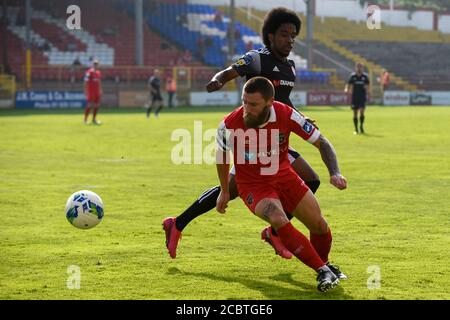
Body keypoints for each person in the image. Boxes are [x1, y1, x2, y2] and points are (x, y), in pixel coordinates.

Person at [163, 8, 342, 276]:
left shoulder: (290, 67)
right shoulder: (257, 58)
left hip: (276, 137)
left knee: (309, 180)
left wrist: (300, 118)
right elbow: (230, 71)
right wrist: (217, 81)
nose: (290, 40)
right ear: (271, 35)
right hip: (249, 135)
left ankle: (274, 231)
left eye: (293, 35)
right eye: (284, 34)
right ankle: (179, 223)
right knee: (232, 188)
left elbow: (283, 101)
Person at [216, 77, 347, 292]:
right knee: (277, 217)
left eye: (253, 104)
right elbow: (221, 158)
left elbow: (322, 142)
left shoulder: (286, 114)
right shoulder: (229, 124)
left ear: (270, 102)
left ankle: (323, 267)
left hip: (285, 177)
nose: (246, 109)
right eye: (244, 102)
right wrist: (223, 191)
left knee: (320, 227)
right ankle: (323, 270)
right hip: (253, 185)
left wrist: (335, 173)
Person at [345, 62, 370, 134]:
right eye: (358, 67)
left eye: (360, 67)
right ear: (356, 68)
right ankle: (356, 129)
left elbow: (368, 85)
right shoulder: (353, 76)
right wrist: (346, 89)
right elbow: (348, 84)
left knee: (362, 112)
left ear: (362, 68)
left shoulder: (365, 76)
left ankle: (361, 127)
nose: (359, 68)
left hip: (362, 97)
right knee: (355, 113)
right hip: (355, 97)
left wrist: (368, 91)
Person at [83, 60, 102, 125]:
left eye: (97, 64)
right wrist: (85, 91)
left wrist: (100, 90)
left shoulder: (98, 72)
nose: (96, 65)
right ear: (92, 65)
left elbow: (99, 82)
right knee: (90, 105)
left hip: (97, 91)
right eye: (95, 64)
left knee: (97, 105)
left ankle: (94, 119)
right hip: (91, 91)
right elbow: (85, 82)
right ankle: (85, 120)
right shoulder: (89, 72)